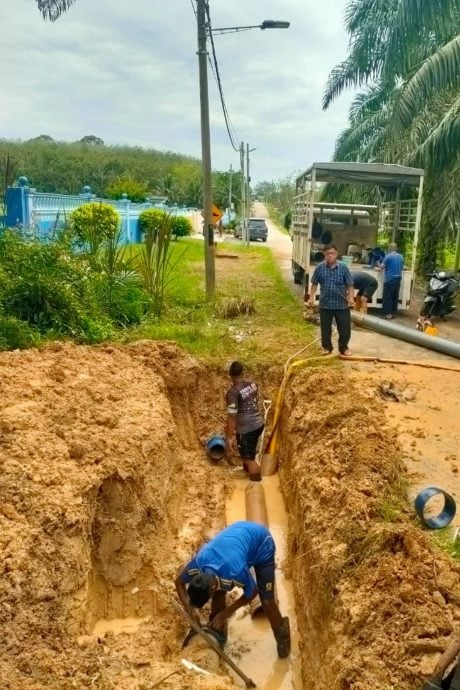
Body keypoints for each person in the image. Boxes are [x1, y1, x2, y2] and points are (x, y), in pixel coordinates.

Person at [175, 520, 291, 659]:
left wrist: (225, 613)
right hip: (235, 536)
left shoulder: (235, 571)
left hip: (262, 543)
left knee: (267, 602)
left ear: (211, 588)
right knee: (220, 591)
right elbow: (179, 582)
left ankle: (283, 635)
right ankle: (218, 632)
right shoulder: (200, 562)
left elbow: (253, 592)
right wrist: (190, 611)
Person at [307, 244, 354, 356]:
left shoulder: (343, 268)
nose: (330, 256)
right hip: (325, 304)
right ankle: (327, 348)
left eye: (332, 253)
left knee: (344, 329)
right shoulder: (320, 268)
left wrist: (351, 297)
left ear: (336, 254)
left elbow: (350, 284)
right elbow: (314, 283)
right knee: (325, 329)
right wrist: (311, 297)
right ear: (324, 255)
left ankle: (344, 348)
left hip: (341, 304)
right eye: (327, 254)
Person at [225, 361, 264, 482]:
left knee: (249, 459)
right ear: (242, 372)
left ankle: (256, 484)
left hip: (247, 429)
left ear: (230, 375)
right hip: (258, 423)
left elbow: (232, 417)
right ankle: (248, 475)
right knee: (246, 454)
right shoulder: (253, 384)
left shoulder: (232, 393)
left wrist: (229, 438)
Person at [377, 243, 404, 319]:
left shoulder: (388, 257)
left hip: (389, 279)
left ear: (389, 249)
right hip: (398, 279)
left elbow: (381, 268)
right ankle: (393, 313)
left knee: (387, 297)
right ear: (396, 249)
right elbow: (401, 267)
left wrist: (378, 264)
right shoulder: (401, 257)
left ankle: (387, 314)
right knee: (395, 296)